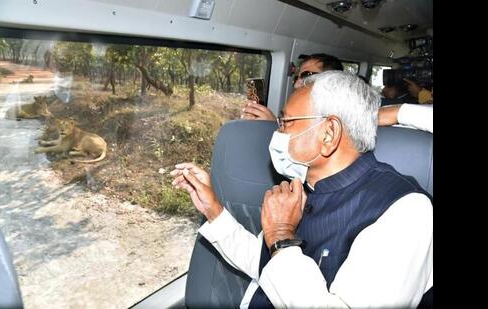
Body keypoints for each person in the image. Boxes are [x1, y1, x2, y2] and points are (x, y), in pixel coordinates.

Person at [171, 71, 432, 308]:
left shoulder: (406, 212)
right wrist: (213, 209)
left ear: (329, 133)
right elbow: (265, 263)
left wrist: (282, 236)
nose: (277, 132)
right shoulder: (304, 188)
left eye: (286, 123)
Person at [242, 53, 343, 121]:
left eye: (306, 75)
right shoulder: (296, 111)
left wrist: (271, 128)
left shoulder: (332, 119)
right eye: (296, 78)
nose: (296, 84)